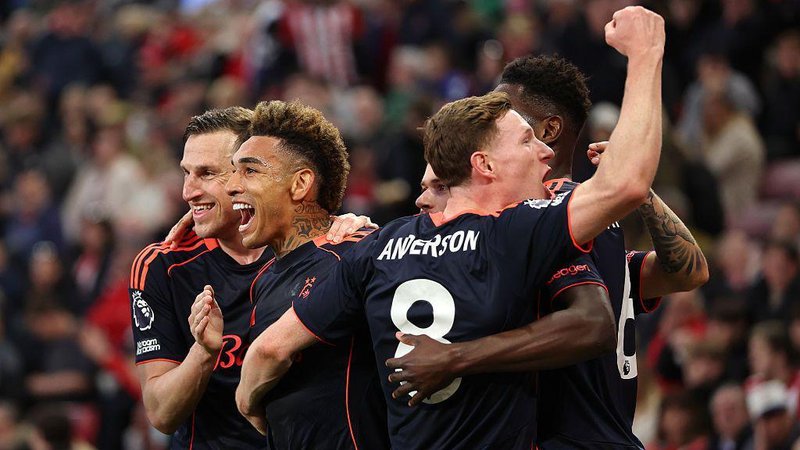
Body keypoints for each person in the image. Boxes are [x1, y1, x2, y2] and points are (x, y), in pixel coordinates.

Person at [237, 6, 665, 448]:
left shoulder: (380, 243)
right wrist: (646, 54)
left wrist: (250, 405)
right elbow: (626, 185)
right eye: (525, 141)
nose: (543, 153)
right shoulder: (511, 234)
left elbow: (270, 350)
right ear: (484, 164)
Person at [405, 55, 709, 449]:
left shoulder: (544, 213)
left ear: (548, 130)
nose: (492, 119)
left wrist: (454, 357)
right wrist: (637, 196)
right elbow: (690, 272)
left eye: (506, 112)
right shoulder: (596, 228)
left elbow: (593, 323)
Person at [130, 107, 373, 449]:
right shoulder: (164, 264)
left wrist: (352, 235)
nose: (188, 191)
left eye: (208, 173)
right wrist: (203, 353)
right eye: (186, 173)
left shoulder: (323, 251)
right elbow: (161, 413)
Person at [218, 100, 388, 449]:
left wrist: (245, 397)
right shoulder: (264, 280)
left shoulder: (357, 252)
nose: (232, 185)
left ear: (300, 184)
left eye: (250, 171)